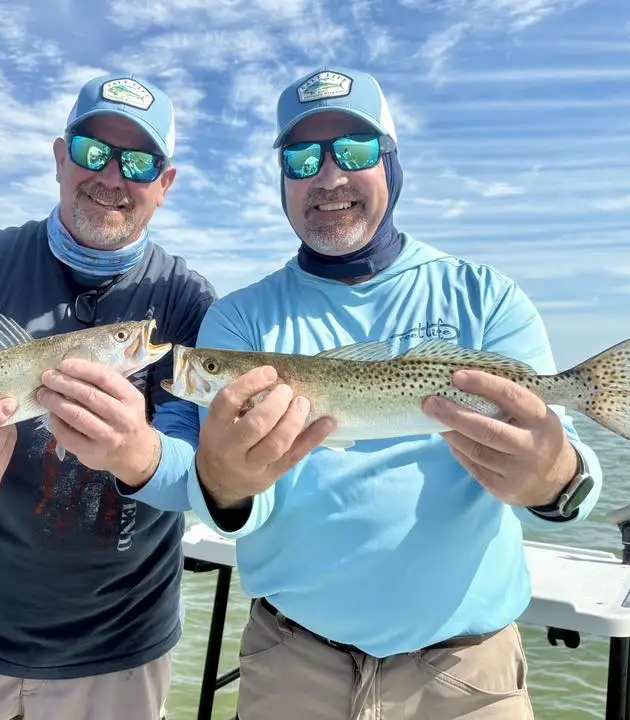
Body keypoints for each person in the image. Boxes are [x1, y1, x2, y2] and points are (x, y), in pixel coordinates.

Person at [171, 66, 603, 719]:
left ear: (393, 162)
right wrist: (222, 484)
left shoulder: (485, 296)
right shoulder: (240, 318)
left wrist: (554, 476)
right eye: (302, 156)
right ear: (282, 178)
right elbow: (232, 507)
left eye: (355, 149)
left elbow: (571, 481)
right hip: (293, 663)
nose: (328, 175)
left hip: (467, 672)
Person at [0, 72, 217, 720]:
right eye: (94, 151)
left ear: (165, 184)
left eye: (140, 162)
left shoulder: (188, 301)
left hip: (122, 647)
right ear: (61, 157)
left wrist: (142, 455)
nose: (113, 176)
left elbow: (195, 467)